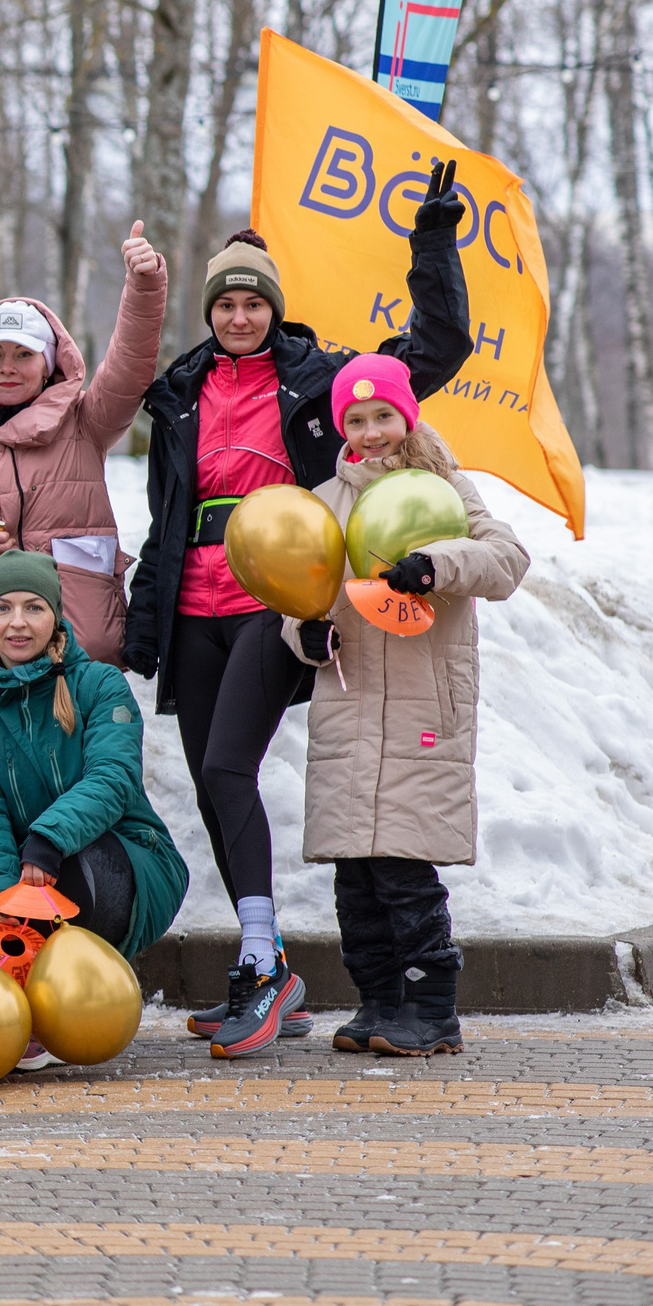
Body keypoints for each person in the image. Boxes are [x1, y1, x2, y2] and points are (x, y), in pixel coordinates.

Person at [125, 165, 472, 1057]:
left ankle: (261, 958)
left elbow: (435, 350)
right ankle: (265, 956)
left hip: (277, 603)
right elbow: (167, 510)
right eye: (225, 304)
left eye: (254, 302)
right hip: (196, 596)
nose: (239, 316)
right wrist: (145, 614)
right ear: (210, 313)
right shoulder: (180, 391)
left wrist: (432, 247)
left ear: (275, 307)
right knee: (209, 775)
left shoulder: (322, 381)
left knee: (233, 765)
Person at [278, 355, 526, 1057]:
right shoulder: (328, 497)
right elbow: (298, 595)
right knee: (355, 875)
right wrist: (305, 634)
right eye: (356, 419)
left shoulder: (446, 486)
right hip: (349, 708)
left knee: (403, 867)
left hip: (422, 705)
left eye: (383, 414)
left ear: (407, 415)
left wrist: (435, 563)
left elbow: (505, 559)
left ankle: (432, 1007)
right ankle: (380, 1000)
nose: (371, 429)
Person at [0, 551, 191, 1066]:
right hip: (25, 870)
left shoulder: (100, 685)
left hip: (124, 858)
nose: (17, 623)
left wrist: (49, 840)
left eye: (34, 608)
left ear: (55, 614)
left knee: (74, 875)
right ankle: (22, 1018)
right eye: (3, 608)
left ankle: (69, 1010)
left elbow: (113, 779)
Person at [0, 223, 167, 704]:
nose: (7, 366)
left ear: (49, 362)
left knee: (81, 773)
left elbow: (129, 364)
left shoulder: (86, 422)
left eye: (23, 354)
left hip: (76, 645)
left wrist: (144, 285)